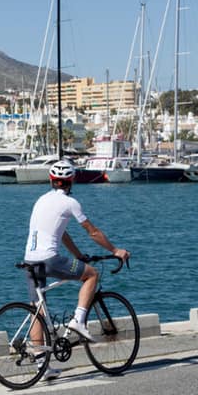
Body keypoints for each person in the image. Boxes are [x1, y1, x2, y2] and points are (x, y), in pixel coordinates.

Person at [24, 159, 130, 378]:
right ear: (71, 181)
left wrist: (78, 256)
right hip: (49, 259)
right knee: (92, 274)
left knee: (37, 311)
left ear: (52, 180)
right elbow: (92, 232)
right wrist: (114, 250)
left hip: (30, 260)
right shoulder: (70, 203)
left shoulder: (41, 200)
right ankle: (78, 321)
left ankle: (42, 367)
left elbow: (60, 232)